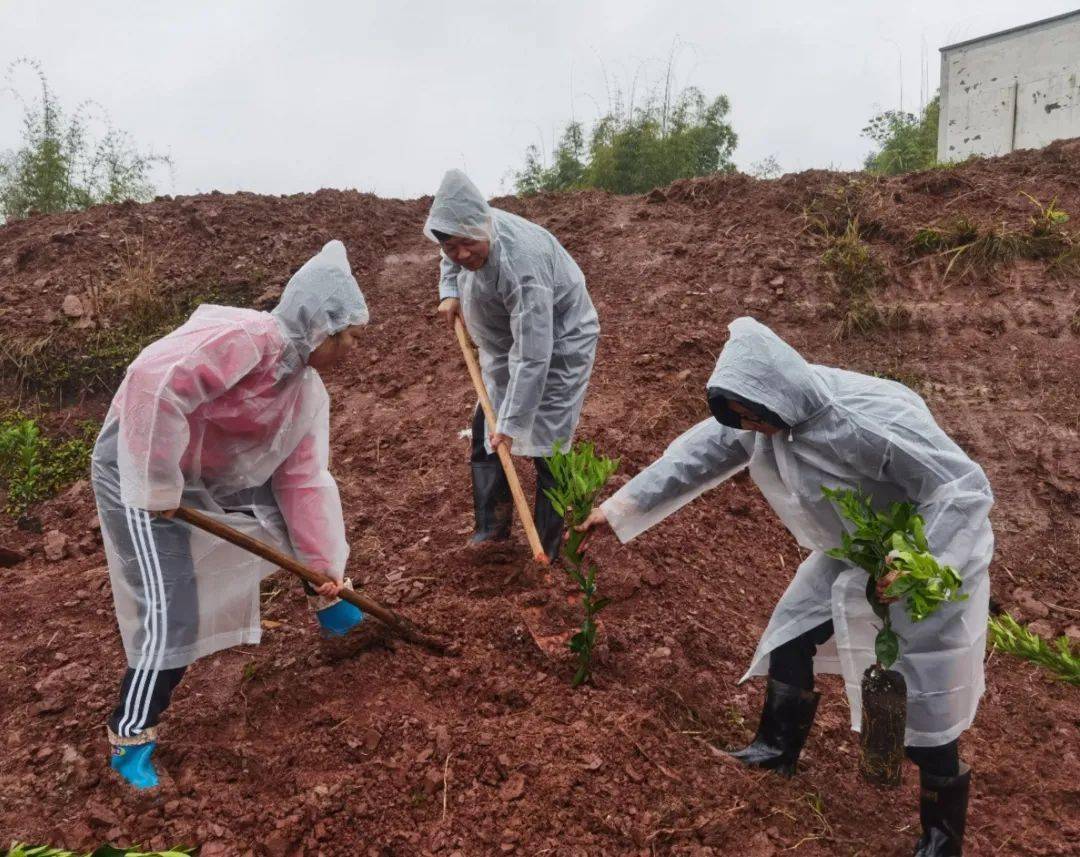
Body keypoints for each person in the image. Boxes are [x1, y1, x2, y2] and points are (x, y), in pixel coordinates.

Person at [577, 317, 992, 857]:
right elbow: (692, 456)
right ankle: (776, 749)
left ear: (777, 401)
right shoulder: (759, 409)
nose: (749, 427)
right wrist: (617, 509)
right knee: (792, 633)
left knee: (925, 691)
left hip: (930, 557)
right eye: (741, 419)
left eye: (753, 418)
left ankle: (941, 839)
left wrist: (919, 563)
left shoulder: (868, 423)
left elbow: (962, 489)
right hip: (853, 551)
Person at [91, 240, 369, 790]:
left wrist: (326, 568)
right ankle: (130, 738)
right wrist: (157, 485)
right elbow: (156, 384)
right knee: (174, 607)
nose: (353, 349)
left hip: (204, 476)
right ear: (323, 328)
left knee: (289, 522)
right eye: (350, 336)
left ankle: (336, 612)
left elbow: (302, 481)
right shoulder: (247, 339)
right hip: (139, 467)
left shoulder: (306, 394)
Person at [425, 169, 599, 560]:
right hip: (504, 343)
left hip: (558, 346)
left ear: (482, 225)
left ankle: (548, 549)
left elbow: (534, 354)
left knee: (547, 444)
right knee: (486, 427)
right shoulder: (459, 234)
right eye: (453, 247)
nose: (461, 254)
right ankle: (492, 531)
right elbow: (449, 257)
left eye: (468, 244)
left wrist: (512, 422)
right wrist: (449, 292)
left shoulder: (523, 265)